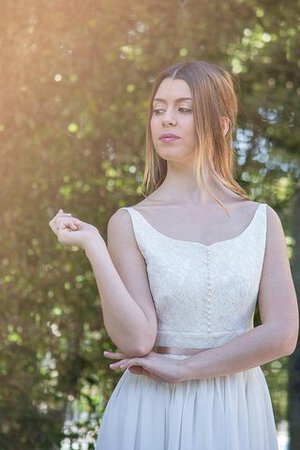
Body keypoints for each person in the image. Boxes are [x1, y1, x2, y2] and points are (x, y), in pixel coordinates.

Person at [49, 60, 299, 450]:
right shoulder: (129, 222)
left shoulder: (261, 220)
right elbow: (136, 340)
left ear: (220, 125)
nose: (167, 119)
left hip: (236, 411)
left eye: (184, 109)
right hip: (152, 406)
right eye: (158, 109)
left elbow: (282, 335)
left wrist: (187, 369)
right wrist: (94, 247)